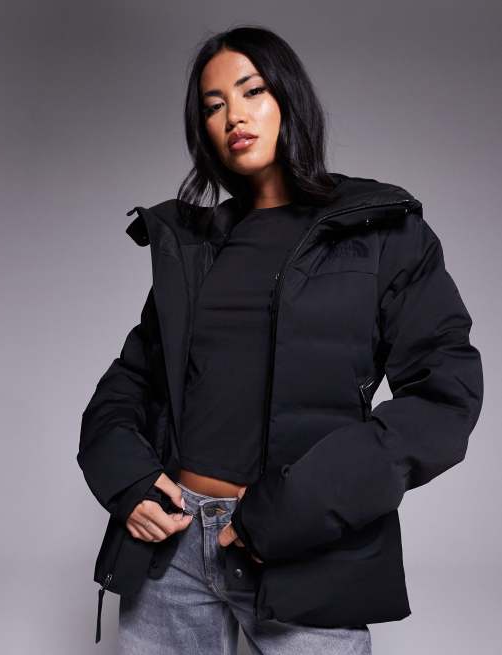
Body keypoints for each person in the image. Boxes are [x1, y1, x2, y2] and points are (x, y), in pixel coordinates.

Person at [77, 25, 483, 654]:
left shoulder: (381, 233)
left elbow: (445, 397)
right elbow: (128, 385)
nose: (233, 116)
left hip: (303, 553)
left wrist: (293, 511)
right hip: (171, 553)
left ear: (289, 97)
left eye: (252, 91)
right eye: (213, 106)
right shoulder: (196, 247)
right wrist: (128, 481)